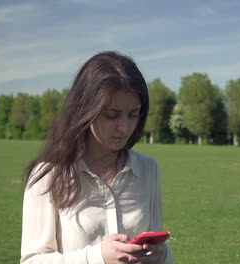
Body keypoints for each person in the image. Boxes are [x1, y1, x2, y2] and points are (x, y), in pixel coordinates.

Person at [20, 51, 173, 264]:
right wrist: (97, 257)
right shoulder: (49, 174)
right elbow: (31, 260)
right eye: (112, 115)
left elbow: (157, 246)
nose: (125, 127)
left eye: (133, 114)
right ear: (86, 110)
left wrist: (163, 256)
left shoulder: (148, 169)